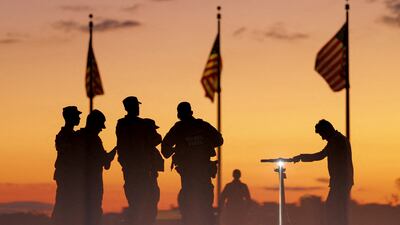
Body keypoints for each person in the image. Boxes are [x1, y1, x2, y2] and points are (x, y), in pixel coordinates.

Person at [162, 102, 223, 225]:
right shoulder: (201, 126)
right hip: (198, 172)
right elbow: (219, 140)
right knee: (203, 206)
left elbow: (165, 150)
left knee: (192, 206)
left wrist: (180, 149)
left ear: (179, 114)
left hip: (191, 173)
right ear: (191, 112)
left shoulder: (179, 128)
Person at [292, 119, 354, 225]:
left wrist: (301, 157)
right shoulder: (338, 139)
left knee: (334, 209)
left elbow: (320, 155)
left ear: (326, 130)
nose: (322, 138)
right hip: (342, 182)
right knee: (338, 210)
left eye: (322, 134)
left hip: (340, 183)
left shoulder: (336, 141)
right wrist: (302, 157)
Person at [116, 96, 163, 225]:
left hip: (132, 172)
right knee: (148, 206)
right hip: (144, 172)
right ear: (129, 108)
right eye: (135, 106)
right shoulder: (142, 124)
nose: (137, 108)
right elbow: (157, 139)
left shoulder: (122, 124)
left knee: (137, 205)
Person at [74, 109, 116, 225]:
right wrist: (116, 150)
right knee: (93, 213)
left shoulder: (78, 136)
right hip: (92, 184)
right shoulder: (94, 139)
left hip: (80, 184)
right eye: (101, 124)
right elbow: (105, 162)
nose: (102, 128)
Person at [52, 106, 82, 225]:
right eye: (77, 115)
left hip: (70, 175)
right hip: (67, 175)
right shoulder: (64, 135)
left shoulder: (71, 135)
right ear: (70, 117)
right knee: (63, 204)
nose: (79, 117)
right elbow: (69, 155)